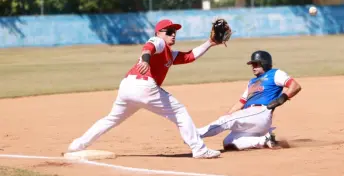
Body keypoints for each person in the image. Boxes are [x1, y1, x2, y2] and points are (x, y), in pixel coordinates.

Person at [67, 19, 229, 159]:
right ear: (159, 32)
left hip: (127, 87)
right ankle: (199, 149)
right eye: (169, 31)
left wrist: (210, 43)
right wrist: (145, 60)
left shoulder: (169, 53)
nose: (173, 34)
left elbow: (189, 56)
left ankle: (77, 145)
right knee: (179, 111)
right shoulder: (158, 41)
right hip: (143, 87)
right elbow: (149, 46)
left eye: (175, 32)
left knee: (110, 119)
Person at [197, 50, 302, 151]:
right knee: (228, 142)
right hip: (250, 117)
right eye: (252, 65)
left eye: (256, 64)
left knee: (225, 121)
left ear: (264, 64)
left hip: (261, 112)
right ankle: (264, 141)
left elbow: (295, 86)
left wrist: (281, 99)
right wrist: (229, 114)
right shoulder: (252, 82)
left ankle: (194, 134)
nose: (253, 67)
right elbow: (241, 102)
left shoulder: (275, 74)